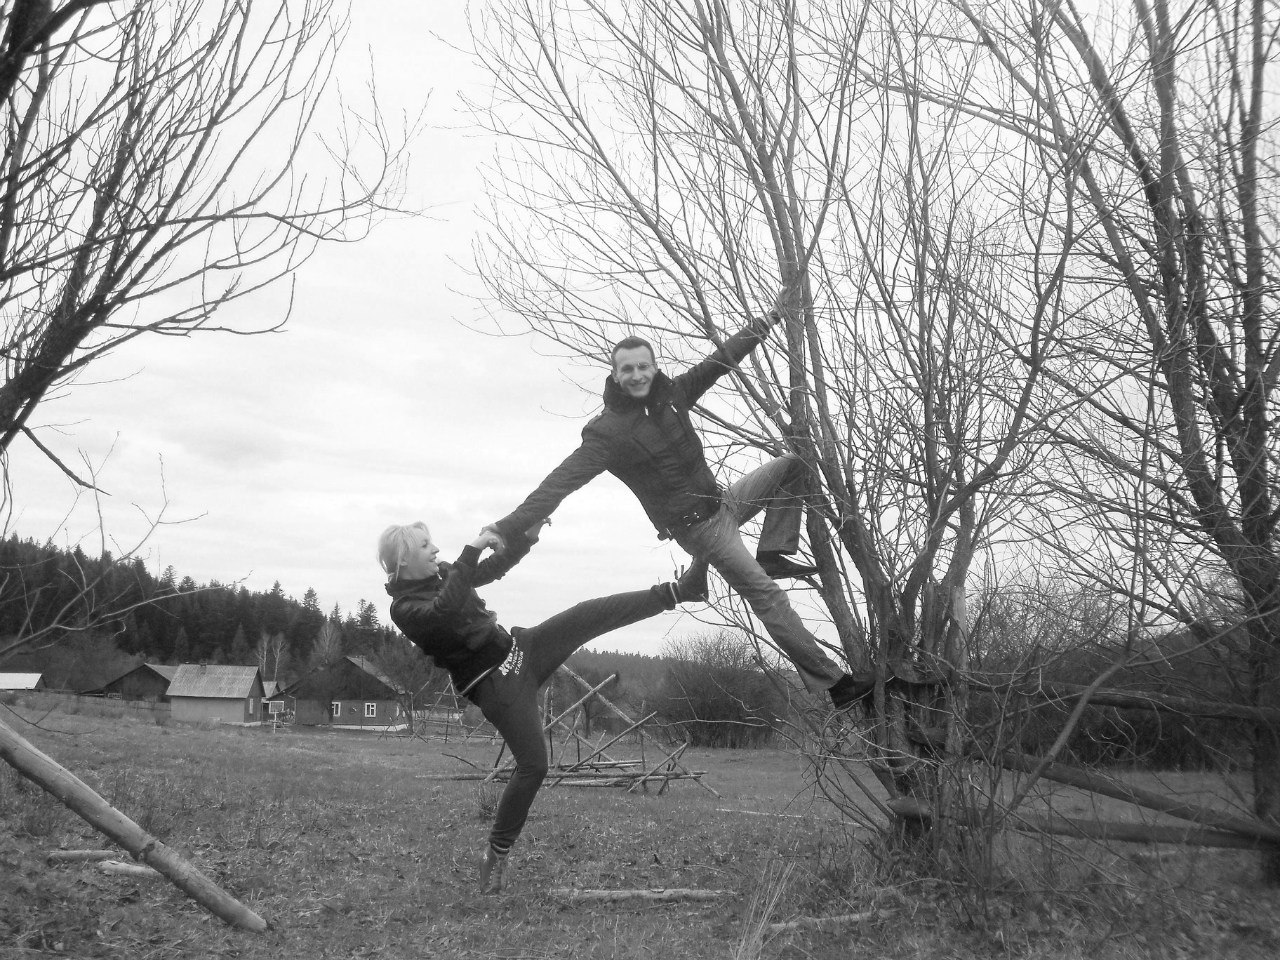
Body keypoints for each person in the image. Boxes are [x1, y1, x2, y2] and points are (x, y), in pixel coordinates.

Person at [484, 296, 874, 711]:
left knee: (794, 465)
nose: (637, 375)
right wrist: (506, 526)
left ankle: (773, 551)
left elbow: (721, 360)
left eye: (643, 366)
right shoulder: (607, 434)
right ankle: (837, 686)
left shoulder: (672, 395)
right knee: (769, 598)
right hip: (700, 530)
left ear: (654, 367)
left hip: (723, 501)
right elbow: (558, 484)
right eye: (627, 369)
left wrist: (771, 318)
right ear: (614, 376)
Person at [378, 519, 706, 894]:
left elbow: (488, 571)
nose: (435, 549)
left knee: (586, 615)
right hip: (496, 685)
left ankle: (681, 590)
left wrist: (525, 539)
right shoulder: (405, 609)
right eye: (425, 546)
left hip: (521, 650)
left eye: (432, 542)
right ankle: (496, 855)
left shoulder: (447, 573)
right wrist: (473, 547)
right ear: (402, 562)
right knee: (534, 765)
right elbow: (444, 611)